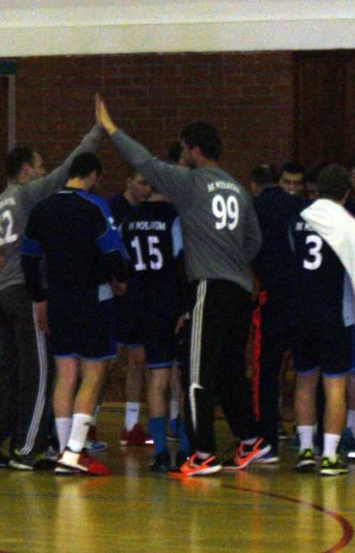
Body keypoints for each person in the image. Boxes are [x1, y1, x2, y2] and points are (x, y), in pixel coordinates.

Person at [95, 94, 270, 477]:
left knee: (196, 373)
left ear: (194, 151)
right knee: (229, 371)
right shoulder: (238, 189)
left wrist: (111, 128)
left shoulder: (191, 183)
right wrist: (232, 260)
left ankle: (202, 453)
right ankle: (250, 438)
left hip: (210, 287)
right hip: (241, 291)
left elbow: (144, 161)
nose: (183, 156)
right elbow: (255, 242)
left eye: (184, 149)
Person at [0, 125, 104, 470]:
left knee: (8, 373)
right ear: (27, 170)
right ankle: (27, 449)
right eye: (39, 166)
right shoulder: (28, 194)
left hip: (2, 293)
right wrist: (95, 133)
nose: (43, 172)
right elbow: (66, 170)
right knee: (41, 373)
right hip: (25, 291)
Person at [21, 152, 129, 475]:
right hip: (92, 298)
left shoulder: (42, 207)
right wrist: (121, 278)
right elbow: (114, 252)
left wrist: (38, 297)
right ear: (93, 175)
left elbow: (28, 258)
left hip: (57, 298)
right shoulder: (95, 206)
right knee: (93, 373)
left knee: (65, 374)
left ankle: (63, 450)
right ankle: (75, 451)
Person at [289, 165, 355, 476]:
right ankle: (328, 456)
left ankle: (305, 451)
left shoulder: (299, 219)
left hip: (301, 312)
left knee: (304, 382)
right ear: (346, 194)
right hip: (334, 315)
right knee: (335, 386)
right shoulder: (348, 223)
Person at [116, 183, 192, 472]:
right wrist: (186, 306)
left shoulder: (129, 221)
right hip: (171, 305)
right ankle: (184, 450)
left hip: (141, 306)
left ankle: (160, 453)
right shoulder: (174, 219)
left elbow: (119, 263)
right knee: (181, 378)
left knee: (156, 378)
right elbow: (183, 263)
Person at [251, 162, 309, 463]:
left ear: (255, 185)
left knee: (266, 370)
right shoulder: (305, 208)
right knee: (307, 370)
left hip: (273, 295)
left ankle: (266, 439)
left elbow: (248, 248)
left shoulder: (257, 207)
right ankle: (311, 441)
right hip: (303, 298)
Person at [109, 170, 156, 447]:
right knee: (106, 362)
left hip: (140, 295)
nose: (146, 189)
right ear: (128, 182)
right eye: (141, 182)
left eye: (149, 184)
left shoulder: (149, 212)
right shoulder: (113, 208)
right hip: (117, 294)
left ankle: (130, 425)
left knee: (138, 360)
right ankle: (88, 423)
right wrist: (113, 277)